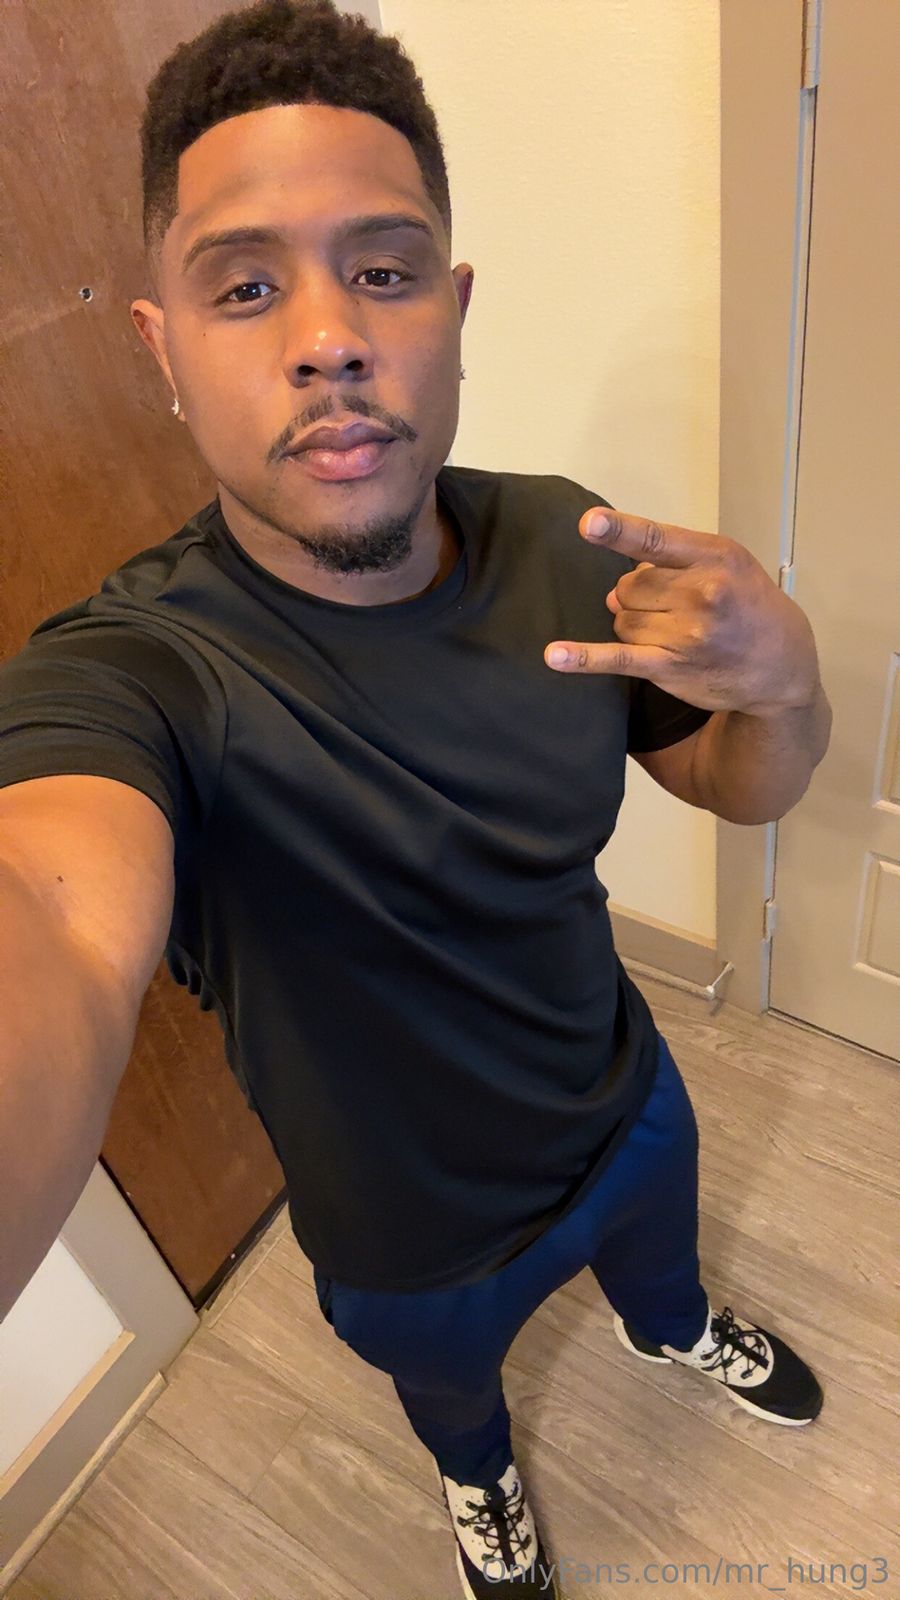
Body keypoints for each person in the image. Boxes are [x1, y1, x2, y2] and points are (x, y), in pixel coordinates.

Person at [0, 3, 833, 1596]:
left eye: (383, 272)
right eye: (247, 287)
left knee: (663, 1278)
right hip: (404, 1230)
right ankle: (478, 1479)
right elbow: (47, 902)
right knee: (455, 1402)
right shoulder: (138, 676)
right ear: (161, 349)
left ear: (452, 310)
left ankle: (672, 1329)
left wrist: (786, 683)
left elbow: (740, 789)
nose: (329, 337)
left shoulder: (566, 543)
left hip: (623, 1102)